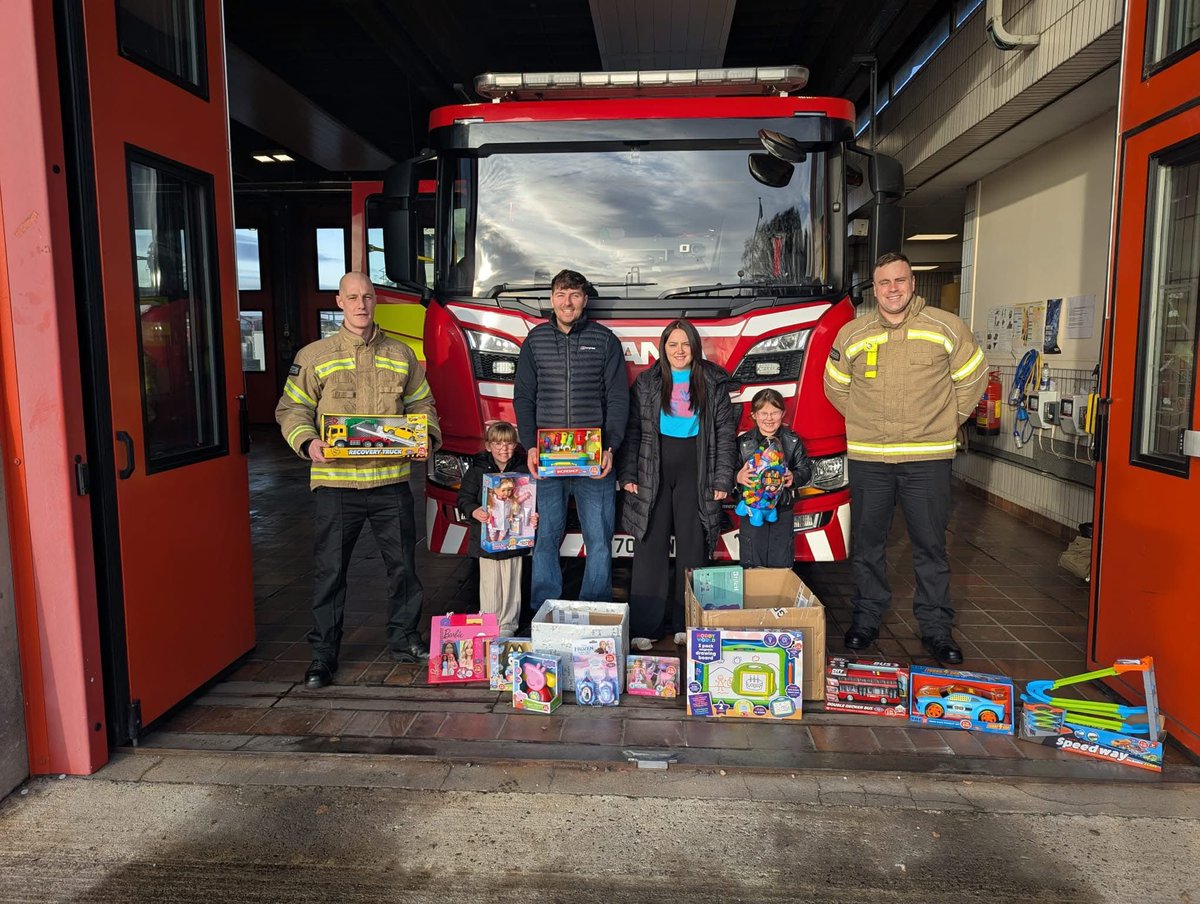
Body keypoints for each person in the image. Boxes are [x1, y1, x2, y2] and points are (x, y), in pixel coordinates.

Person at [276, 271, 441, 689]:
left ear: (374, 302)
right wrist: (308, 442)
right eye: (352, 297)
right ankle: (323, 656)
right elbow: (290, 410)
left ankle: (405, 641)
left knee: (403, 567)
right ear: (339, 302)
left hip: (390, 484)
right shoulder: (315, 355)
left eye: (367, 296)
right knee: (330, 572)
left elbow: (424, 403)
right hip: (336, 486)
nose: (361, 304)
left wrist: (426, 437)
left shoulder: (401, 354)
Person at [824, 251, 986, 666]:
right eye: (884, 282)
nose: (892, 289)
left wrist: (949, 422)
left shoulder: (945, 327)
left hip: (926, 458)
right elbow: (835, 387)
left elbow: (973, 377)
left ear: (912, 284)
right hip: (869, 459)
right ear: (874, 288)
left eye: (900, 281)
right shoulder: (852, 333)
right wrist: (864, 421)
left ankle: (935, 628)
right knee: (868, 545)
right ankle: (866, 618)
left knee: (930, 547)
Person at [514, 269, 628, 612]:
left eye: (575, 295)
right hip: (547, 460)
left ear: (585, 300)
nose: (568, 302)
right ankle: (543, 608)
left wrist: (611, 448)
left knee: (599, 539)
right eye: (562, 294)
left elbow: (619, 399)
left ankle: (595, 609)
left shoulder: (606, 341)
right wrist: (529, 446)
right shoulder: (535, 341)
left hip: (593, 460)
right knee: (545, 537)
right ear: (552, 299)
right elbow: (524, 398)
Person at [619, 319, 737, 647]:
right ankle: (645, 627)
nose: (680, 351)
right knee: (649, 547)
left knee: (693, 546)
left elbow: (725, 433)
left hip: (696, 472)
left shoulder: (712, 382)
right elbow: (632, 431)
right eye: (673, 345)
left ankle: (687, 623)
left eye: (686, 345)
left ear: (695, 347)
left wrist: (722, 477)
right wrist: (628, 475)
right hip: (652, 471)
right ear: (664, 348)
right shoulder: (647, 382)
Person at [457, 421, 537, 637]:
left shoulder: (522, 471)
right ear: (488, 446)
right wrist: (474, 511)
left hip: (514, 538)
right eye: (498, 443)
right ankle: (490, 624)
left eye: (509, 444)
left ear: (515, 445)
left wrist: (533, 517)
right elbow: (463, 499)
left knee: (512, 582)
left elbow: (530, 503)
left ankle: (509, 626)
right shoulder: (476, 471)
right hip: (487, 540)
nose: (504, 449)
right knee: (491, 583)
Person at [735, 388, 811, 567]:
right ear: (754, 415)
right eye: (763, 413)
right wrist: (737, 476)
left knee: (781, 560)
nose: (769, 418)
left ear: (783, 413)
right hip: (752, 510)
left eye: (774, 413)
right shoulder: (743, 442)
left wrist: (795, 477)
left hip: (782, 510)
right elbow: (727, 470)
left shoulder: (793, 441)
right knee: (752, 560)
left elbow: (806, 470)